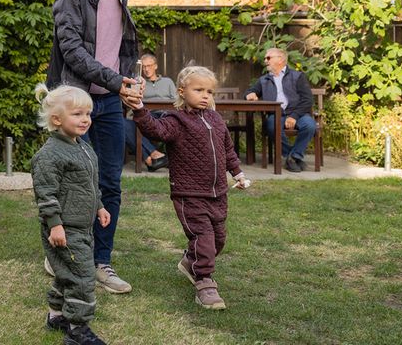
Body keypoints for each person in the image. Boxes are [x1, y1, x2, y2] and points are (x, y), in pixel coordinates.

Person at [46, 0, 141, 295]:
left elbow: (122, 50)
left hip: (109, 103)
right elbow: (72, 49)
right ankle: (61, 253)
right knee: (70, 183)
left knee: (110, 184)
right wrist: (117, 81)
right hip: (75, 99)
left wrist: (130, 82)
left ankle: (101, 262)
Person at [131, 66, 249, 310]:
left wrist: (237, 173)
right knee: (203, 239)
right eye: (199, 90)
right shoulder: (176, 121)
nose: (205, 95)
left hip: (218, 193)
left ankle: (189, 262)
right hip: (189, 194)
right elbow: (155, 129)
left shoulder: (216, 119)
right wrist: (140, 109)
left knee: (218, 241)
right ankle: (204, 282)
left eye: (209, 91)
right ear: (182, 91)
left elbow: (227, 150)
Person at [32, 84, 111, 345]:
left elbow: (89, 182)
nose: (85, 119)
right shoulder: (49, 155)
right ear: (57, 119)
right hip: (64, 227)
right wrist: (55, 225)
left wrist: (99, 205)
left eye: (87, 114)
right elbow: (46, 194)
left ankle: (56, 315)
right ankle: (78, 330)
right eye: (77, 114)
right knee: (83, 277)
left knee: (68, 272)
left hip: (83, 225)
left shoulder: (83, 148)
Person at [244, 47, 315, 173]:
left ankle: (294, 156)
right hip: (277, 115)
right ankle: (292, 157)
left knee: (309, 125)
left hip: (298, 114)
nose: (265, 61)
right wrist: (250, 94)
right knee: (271, 126)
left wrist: (294, 116)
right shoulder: (264, 80)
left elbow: (307, 100)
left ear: (280, 59)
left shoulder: (298, 76)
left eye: (268, 58)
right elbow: (250, 91)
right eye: (265, 58)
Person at [122, 53, 176, 171]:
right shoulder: (138, 84)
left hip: (165, 114)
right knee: (122, 124)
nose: (146, 69)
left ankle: (150, 160)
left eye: (149, 66)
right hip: (146, 114)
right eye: (144, 66)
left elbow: (176, 102)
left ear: (155, 66)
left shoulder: (168, 82)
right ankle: (152, 157)